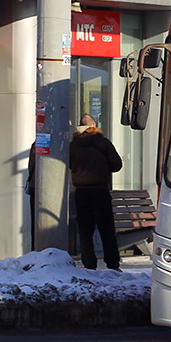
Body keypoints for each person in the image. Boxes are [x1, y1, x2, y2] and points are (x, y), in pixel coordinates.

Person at [68, 113, 123, 271]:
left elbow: (70, 164)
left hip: (81, 193)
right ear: (93, 126)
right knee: (107, 230)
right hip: (100, 191)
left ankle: (89, 263)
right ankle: (112, 264)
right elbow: (117, 165)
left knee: (85, 232)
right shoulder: (103, 143)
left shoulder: (73, 146)